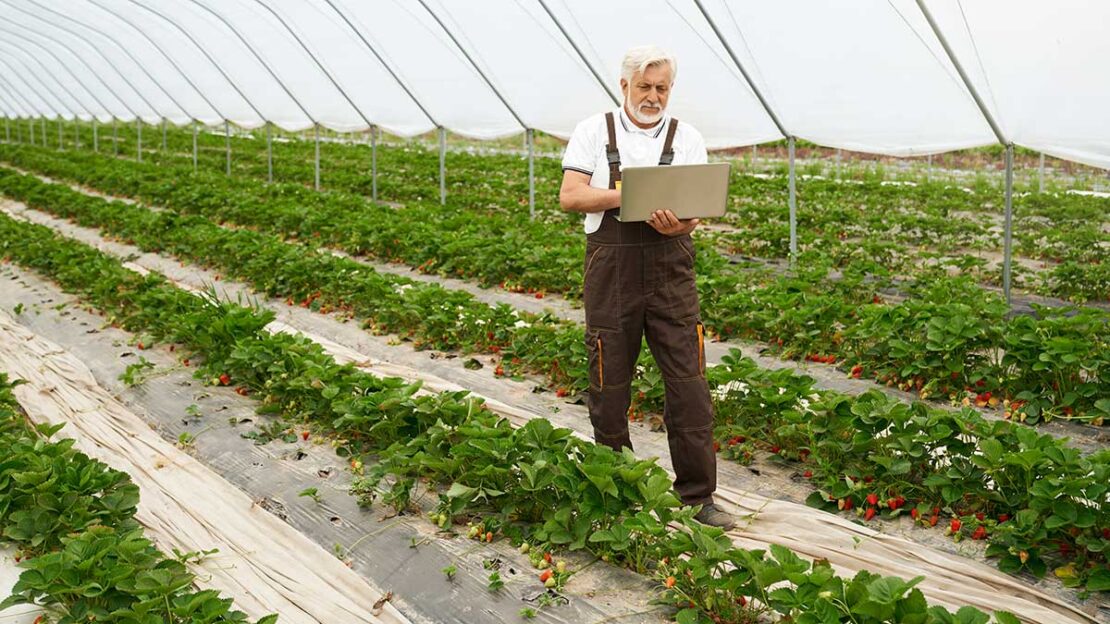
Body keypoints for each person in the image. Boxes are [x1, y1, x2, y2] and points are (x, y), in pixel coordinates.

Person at [558, 45, 736, 529]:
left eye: (661, 88)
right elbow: (571, 195)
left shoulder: (686, 138)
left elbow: (694, 212)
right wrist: (628, 196)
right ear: (624, 87)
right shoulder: (595, 132)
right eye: (644, 87)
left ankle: (698, 496)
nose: (653, 96)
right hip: (611, 271)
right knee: (609, 380)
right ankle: (621, 487)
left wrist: (677, 225)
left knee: (688, 381)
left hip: (669, 271)